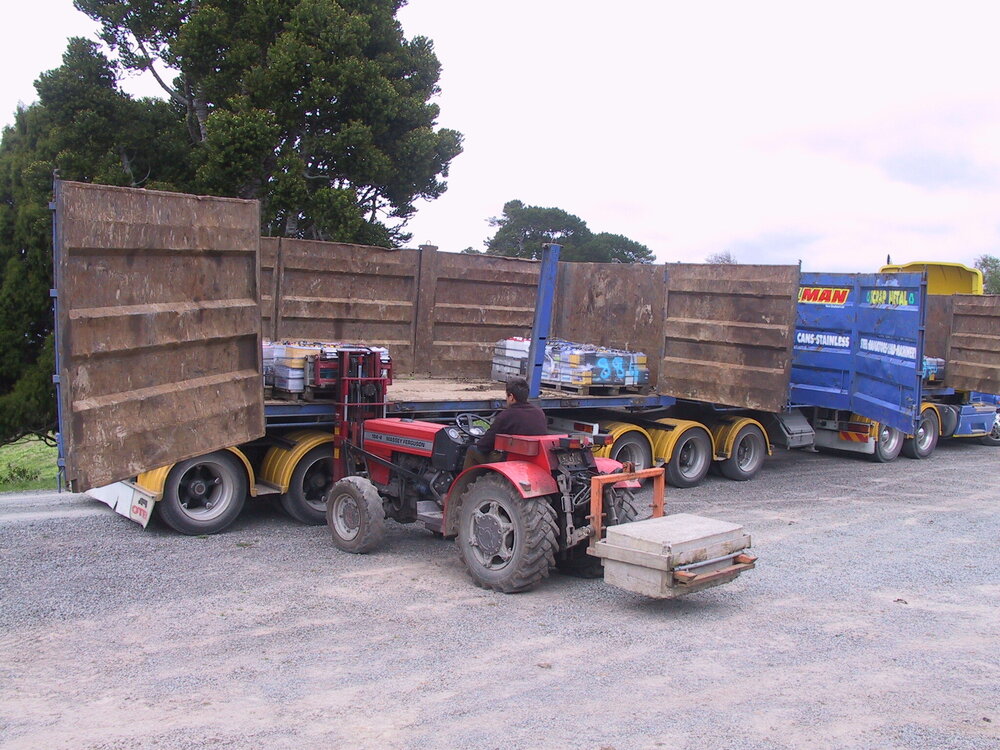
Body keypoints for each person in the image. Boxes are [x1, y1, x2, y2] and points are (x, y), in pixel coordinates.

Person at [463, 377, 548, 469]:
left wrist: (478, 443)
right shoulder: (539, 412)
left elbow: (484, 446)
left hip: (511, 461)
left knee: (472, 450)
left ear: (511, 397)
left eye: (506, 396)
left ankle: (465, 479)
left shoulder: (506, 415)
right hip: (533, 460)